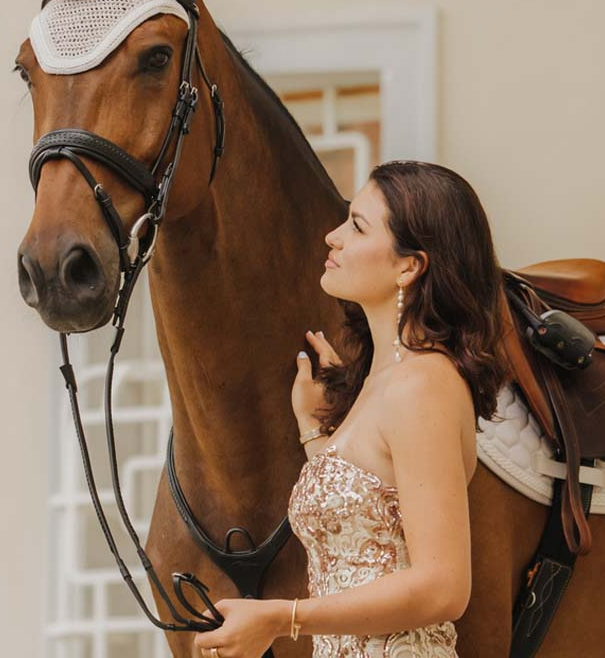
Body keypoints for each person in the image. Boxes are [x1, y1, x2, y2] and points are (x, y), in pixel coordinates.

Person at [195, 160, 512, 658]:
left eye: (357, 226)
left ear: (410, 265)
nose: (332, 237)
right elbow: (364, 525)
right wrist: (311, 427)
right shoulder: (381, 384)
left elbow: (444, 587)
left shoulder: (421, 387)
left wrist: (282, 617)